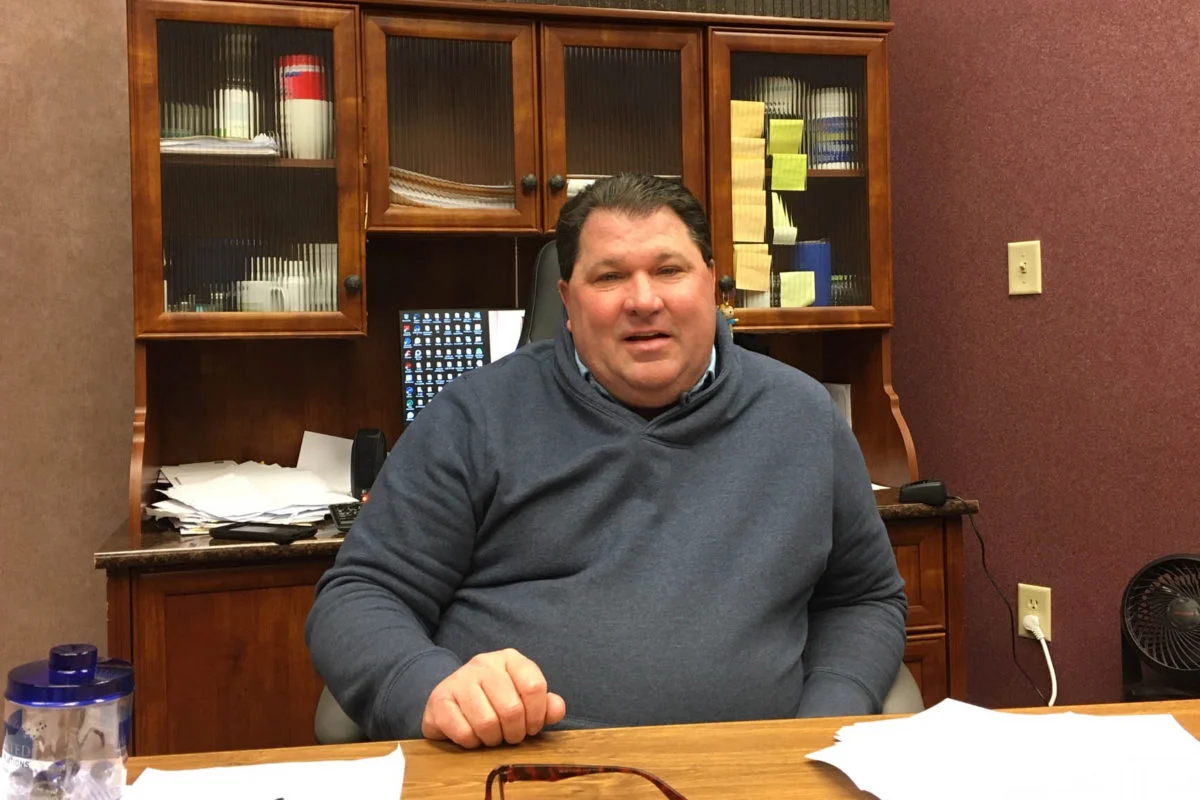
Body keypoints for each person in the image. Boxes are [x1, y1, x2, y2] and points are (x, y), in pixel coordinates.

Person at [306, 173, 907, 749]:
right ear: (567, 301)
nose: (643, 300)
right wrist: (429, 688)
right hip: (518, 770)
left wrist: (827, 718)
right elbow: (359, 595)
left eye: (669, 270)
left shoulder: (803, 417)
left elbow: (862, 599)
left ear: (712, 283)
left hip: (754, 773)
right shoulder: (477, 416)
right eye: (610, 276)